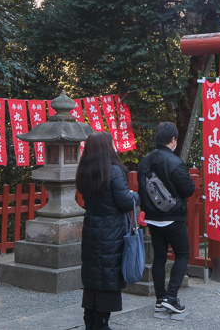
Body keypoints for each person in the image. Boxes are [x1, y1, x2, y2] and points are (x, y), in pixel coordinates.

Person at [76, 131, 139, 330]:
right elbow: (124, 202)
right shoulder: (114, 170)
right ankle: (102, 323)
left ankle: (90, 322)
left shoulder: (85, 170)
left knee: (93, 278)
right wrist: (136, 196)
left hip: (92, 229)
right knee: (108, 278)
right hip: (111, 232)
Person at [137, 122, 195, 315]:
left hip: (153, 217)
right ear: (173, 140)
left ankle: (160, 299)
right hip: (172, 216)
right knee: (183, 253)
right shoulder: (175, 162)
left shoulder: (144, 161)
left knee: (159, 257)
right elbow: (188, 190)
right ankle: (171, 297)